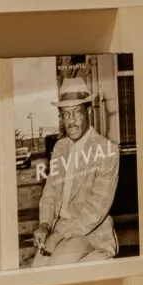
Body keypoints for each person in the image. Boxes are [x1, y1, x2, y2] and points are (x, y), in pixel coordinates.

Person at [30, 73, 120, 265]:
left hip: (90, 231)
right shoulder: (60, 147)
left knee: (55, 268)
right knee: (34, 270)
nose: (71, 120)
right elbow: (50, 193)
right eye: (66, 114)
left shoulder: (107, 150)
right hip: (58, 227)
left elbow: (96, 209)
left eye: (77, 112)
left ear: (88, 112)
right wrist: (45, 226)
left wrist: (58, 235)